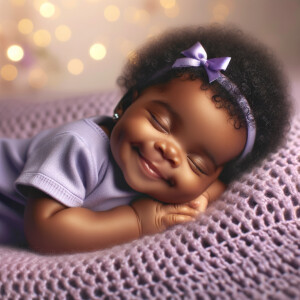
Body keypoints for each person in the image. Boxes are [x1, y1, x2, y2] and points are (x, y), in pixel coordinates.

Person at [0, 25, 290, 253]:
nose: (170, 152)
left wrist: (199, 197)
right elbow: (44, 231)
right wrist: (139, 220)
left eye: (197, 162)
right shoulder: (79, 147)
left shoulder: (168, 180)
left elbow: (219, 184)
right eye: (160, 123)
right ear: (126, 104)